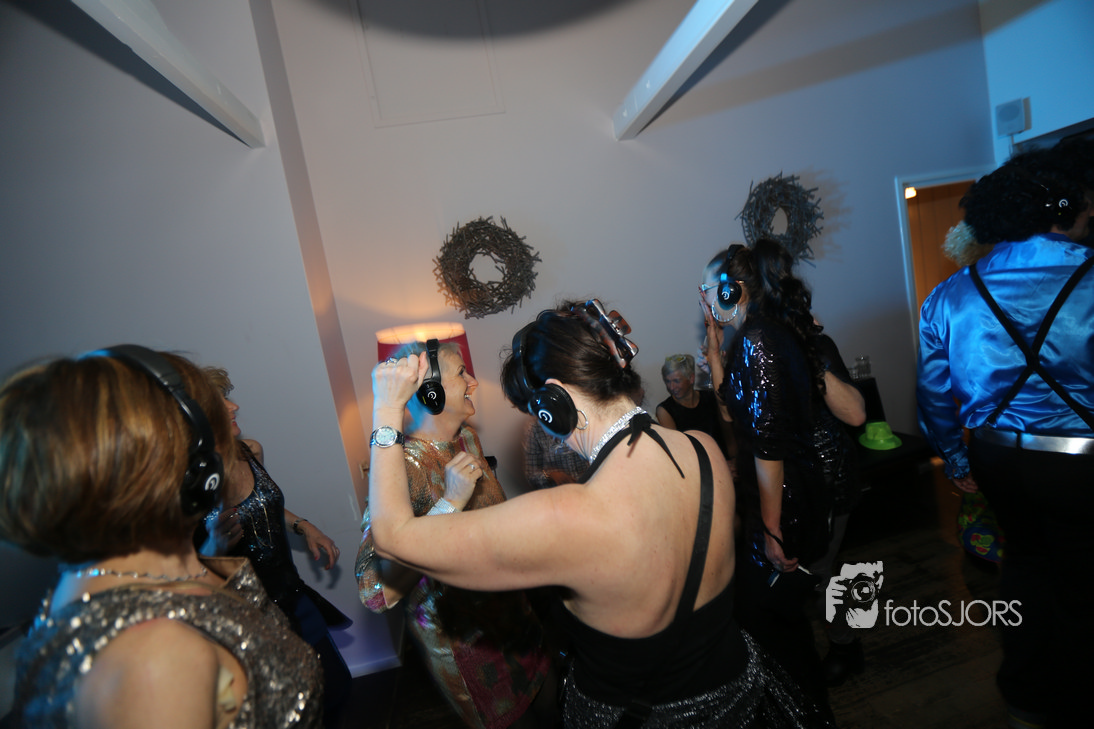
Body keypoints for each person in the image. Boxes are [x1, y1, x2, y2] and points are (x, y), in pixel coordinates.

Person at [366, 300, 834, 728]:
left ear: (553, 402)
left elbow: (392, 537)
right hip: (736, 695)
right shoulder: (703, 449)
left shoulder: (567, 516)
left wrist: (387, 410)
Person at [0, 345, 322, 728]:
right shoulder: (154, 657)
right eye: (212, 416)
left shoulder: (124, 579)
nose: (231, 412)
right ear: (192, 466)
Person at [917, 152, 1094, 729]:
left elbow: (934, 394)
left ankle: (1026, 698)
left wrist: (956, 458)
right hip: (1079, 464)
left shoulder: (950, 294)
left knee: (1025, 565)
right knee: (1082, 579)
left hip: (995, 458)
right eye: (1085, 199)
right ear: (1061, 208)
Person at [356, 340, 556, 729]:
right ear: (430, 393)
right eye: (461, 373)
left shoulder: (466, 438)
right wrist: (449, 503)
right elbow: (374, 593)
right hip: (472, 649)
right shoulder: (404, 468)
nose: (473, 381)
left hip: (517, 620)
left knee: (552, 709)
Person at [700, 240, 858, 705]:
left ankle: (818, 679)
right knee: (786, 603)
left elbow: (770, 442)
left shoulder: (762, 338)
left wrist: (772, 529)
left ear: (732, 289)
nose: (703, 299)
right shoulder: (750, 338)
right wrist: (715, 353)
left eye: (708, 288)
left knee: (792, 600)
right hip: (787, 489)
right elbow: (733, 413)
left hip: (808, 487)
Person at [199, 366, 352, 726]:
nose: (234, 406)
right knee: (290, 713)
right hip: (250, 620)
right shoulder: (187, 484)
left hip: (292, 595)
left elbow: (263, 505)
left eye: (228, 396)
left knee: (335, 689)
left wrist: (304, 525)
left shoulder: (250, 451)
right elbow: (180, 567)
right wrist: (213, 546)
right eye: (220, 402)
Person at [655, 353, 733, 458]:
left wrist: (734, 459)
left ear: (691, 378)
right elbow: (677, 450)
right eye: (668, 381)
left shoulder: (710, 398)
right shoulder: (665, 410)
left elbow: (728, 433)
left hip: (724, 459)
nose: (671, 387)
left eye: (676, 381)